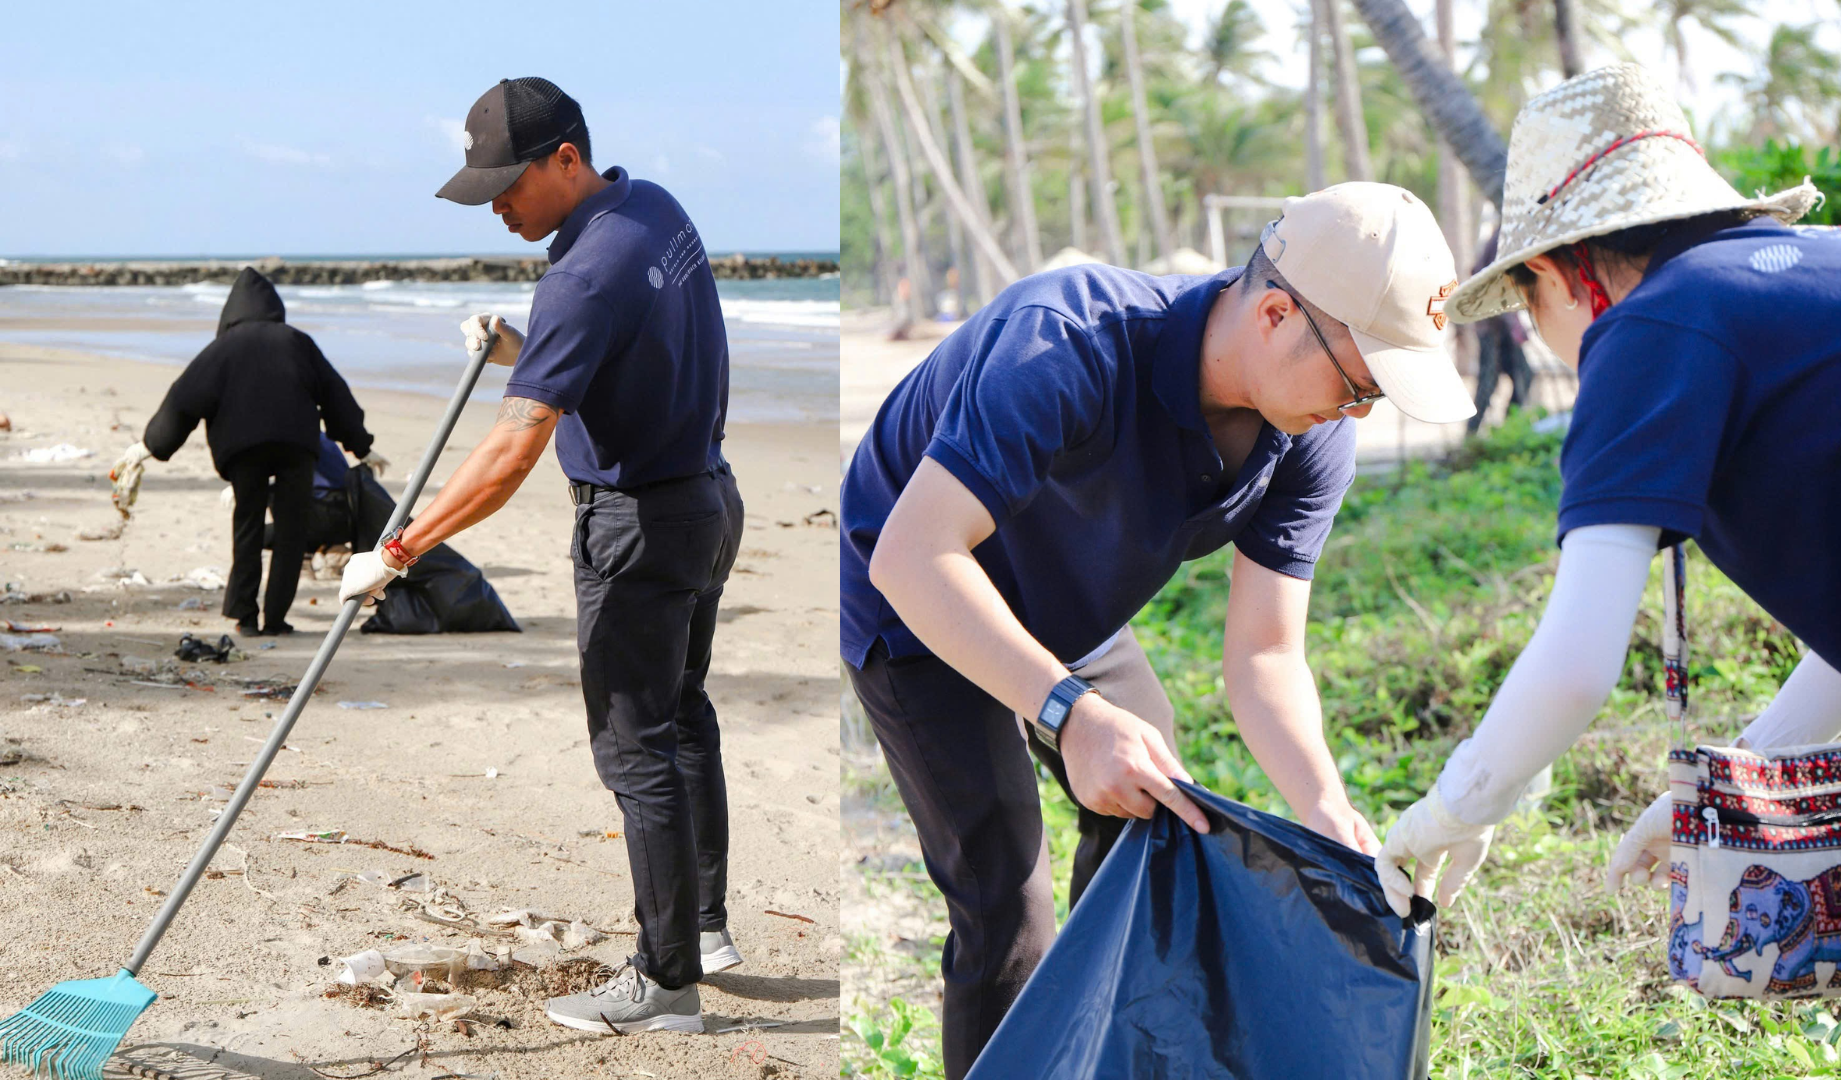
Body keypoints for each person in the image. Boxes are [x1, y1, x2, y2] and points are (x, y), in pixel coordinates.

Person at [840, 182, 1476, 1077]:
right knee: (1006, 907)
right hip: (918, 598)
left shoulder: (1309, 429)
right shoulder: (1066, 341)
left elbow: (1265, 652)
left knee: (1157, 809)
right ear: (1276, 312)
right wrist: (1069, 715)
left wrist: (1331, 816)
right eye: (1359, 380)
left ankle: (1101, 1051)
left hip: (1070, 605)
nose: (1360, 410)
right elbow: (912, 556)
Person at [1371, 63, 1841, 1073]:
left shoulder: (1656, 323)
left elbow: (1580, 661)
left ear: (1571, 269)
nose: (1543, 335)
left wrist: (1454, 807)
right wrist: (1734, 782)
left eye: (1527, 296)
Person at [336, 77, 742, 1035]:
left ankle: (664, 984)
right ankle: (705, 932)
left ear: (567, 159)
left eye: (507, 186)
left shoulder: (580, 276)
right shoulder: (652, 211)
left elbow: (511, 455)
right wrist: (527, 345)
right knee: (682, 719)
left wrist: (395, 550)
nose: (498, 206)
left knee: (633, 747)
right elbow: (627, 348)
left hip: (635, 526)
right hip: (707, 503)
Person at [113, 268, 386, 636]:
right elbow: (335, 394)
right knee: (291, 533)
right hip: (296, 448)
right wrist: (361, 446)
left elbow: (184, 399)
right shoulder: (297, 342)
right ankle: (275, 620)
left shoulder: (221, 349)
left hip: (244, 451)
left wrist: (150, 446)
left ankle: (244, 617)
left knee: (247, 528)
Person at [1465, 231, 1533, 435]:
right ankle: (1473, 435)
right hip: (1492, 327)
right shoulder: (1502, 237)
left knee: (1524, 376)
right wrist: (1515, 327)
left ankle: (1508, 429)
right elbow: (1498, 287)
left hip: (1500, 326)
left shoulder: (1506, 234)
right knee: (1489, 383)